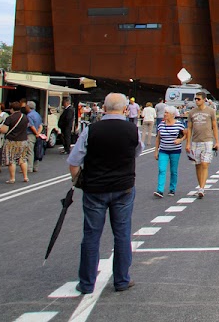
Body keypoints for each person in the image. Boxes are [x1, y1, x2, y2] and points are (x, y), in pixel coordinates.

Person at [67, 92, 142, 294]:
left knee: (91, 235)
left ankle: (86, 283)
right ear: (125, 108)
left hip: (95, 188)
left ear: (104, 107)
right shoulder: (133, 130)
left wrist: (78, 180)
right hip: (123, 187)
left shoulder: (91, 130)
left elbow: (74, 162)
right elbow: (136, 152)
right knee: (122, 234)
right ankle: (121, 280)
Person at [184, 93, 219, 199]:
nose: (196, 101)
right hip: (195, 141)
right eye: (195, 99)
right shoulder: (192, 112)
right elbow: (189, 128)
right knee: (197, 164)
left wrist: (217, 141)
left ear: (204, 100)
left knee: (204, 164)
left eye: (198, 99)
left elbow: (214, 126)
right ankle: (200, 186)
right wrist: (188, 143)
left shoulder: (210, 111)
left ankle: (202, 188)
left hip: (207, 141)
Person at [154, 105, 186, 197]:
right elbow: (158, 138)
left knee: (173, 170)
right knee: (161, 169)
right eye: (165, 112)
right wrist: (156, 151)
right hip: (163, 150)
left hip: (175, 151)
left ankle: (172, 189)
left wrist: (180, 140)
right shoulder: (161, 124)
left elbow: (186, 134)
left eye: (167, 113)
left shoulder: (179, 124)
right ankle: (160, 190)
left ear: (172, 114)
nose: (165, 114)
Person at [24, 100, 43, 173]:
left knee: (30, 151)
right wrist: (38, 133)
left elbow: (31, 126)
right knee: (37, 150)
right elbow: (40, 125)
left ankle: (29, 167)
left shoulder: (29, 115)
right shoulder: (37, 114)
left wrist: (35, 133)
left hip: (30, 134)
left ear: (28, 107)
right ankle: (36, 167)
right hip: (38, 135)